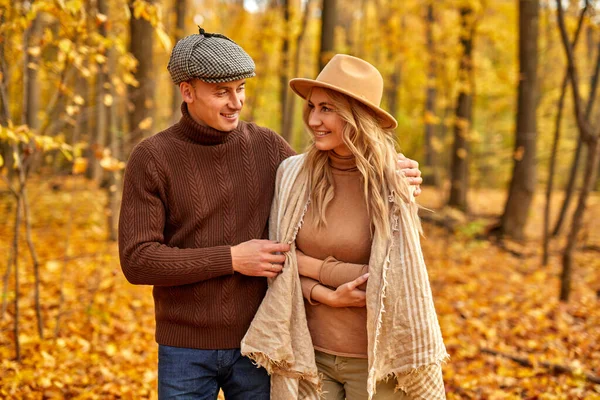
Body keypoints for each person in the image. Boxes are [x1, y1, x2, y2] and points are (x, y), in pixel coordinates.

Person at [119, 29, 423, 399]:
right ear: (187, 91)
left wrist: (396, 167)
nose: (236, 103)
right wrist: (232, 258)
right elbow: (138, 261)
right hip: (185, 347)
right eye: (221, 92)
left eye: (241, 89)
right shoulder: (152, 157)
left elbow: (332, 167)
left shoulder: (268, 148)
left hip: (260, 343)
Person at [241, 54, 447, 400]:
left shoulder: (391, 184)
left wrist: (312, 266)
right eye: (313, 107)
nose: (314, 120)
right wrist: (329, 294)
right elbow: (281, 262)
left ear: (357, 116)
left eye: (328, 109)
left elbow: (386, 279)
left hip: (376, 361)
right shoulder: (293, 175)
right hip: (309, 356)